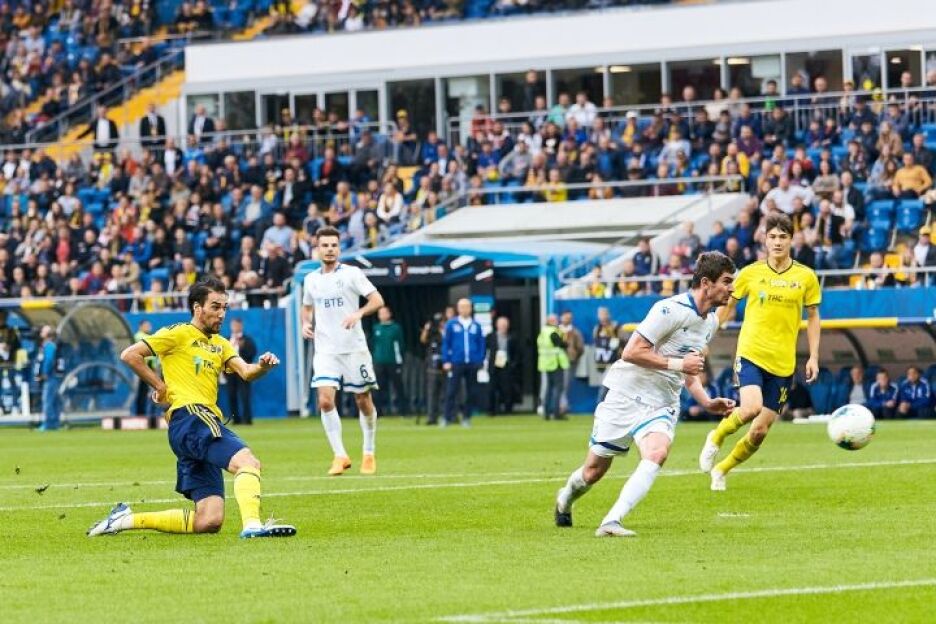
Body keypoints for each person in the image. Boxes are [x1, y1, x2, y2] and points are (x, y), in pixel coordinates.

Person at [88, 278, 295, 538]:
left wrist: (262, 366)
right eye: (215, 307)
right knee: (248, 462)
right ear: (197, 308)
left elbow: (246, 372)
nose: (221, 313)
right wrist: (160, 386)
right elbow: (130, 354)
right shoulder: (179, 333)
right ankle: (253, 525)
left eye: (224, 307)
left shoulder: (221, 343)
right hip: (192, 416)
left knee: (209, 520)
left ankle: (124, 520)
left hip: (192, 428)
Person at [555, 252, 737, 536]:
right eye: (726, 281)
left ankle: (611, 521)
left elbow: (688, 369)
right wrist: (679, 365)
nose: (731, 288)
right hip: (626, 393)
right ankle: (565, 499)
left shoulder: (710, 322)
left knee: (657, 452)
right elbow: (631, 352)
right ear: (706, 283)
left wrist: (706, 401)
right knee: (593, 471)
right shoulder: (669, 309)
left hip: (662, 402)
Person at [699, 213, 821, 492]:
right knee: (751, 408)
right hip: (751, 353)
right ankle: (716, 437)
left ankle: (722, 469)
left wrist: (814, 356)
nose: (777, 242)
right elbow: (726, 308)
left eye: (783, 237)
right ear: (764, 240)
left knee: (759, 431)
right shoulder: (749, 273)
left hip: (783, 363)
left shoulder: (806, 276)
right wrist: (706, 338)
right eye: (772, 237)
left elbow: (813, 316)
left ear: (791, 240)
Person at [301, 226, 384, 475]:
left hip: (353, 348)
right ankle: (340, 456)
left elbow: (377, 300)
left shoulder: (352, 274)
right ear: (317, 249)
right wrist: (305, 323)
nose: (329, 249)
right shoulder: (311, 279)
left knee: (363, 400)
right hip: (325, 350)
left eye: (334, 245)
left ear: (339, 248)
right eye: (325, 245)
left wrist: (358, 313)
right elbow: (307, 307)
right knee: (325, 401)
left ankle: (368, 452)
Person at [441, 298, 486, 427]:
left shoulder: (476, 325)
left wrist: (480, 359)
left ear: (470, 309)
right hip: (456, 362)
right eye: (462, 307)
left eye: (467, 306)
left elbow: (481, 344)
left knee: (471, 391)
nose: (465, 309)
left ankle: (466, 417)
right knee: (452, 390)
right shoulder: (451, 324)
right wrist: (446, 360)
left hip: (472, 363)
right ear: (458, 309)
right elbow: (446, 343)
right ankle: (447, 417)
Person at [371, 306, 407, 416]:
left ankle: (403, 410)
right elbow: (373, 344)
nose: (382, 315)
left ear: (389, 314)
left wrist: (400, 360)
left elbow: (401, 344)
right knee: (378, 387)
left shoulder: (396, 328)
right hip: (379, 362)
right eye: (380, 313)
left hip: (393, 361)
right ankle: (378, 411)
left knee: (398, 386)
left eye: (384, 313)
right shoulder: (376, 328)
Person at [537, 314, 568, 421]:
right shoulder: (553, 332)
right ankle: (556, 413)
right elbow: (562, 344)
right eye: (555, 320)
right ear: (551, 321)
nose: (557, 321)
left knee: (549, 388)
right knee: (558, 388)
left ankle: (546, 412)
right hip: (556, 363)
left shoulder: (543, 332)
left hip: (546, 364)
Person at [486, 316, 520, 415]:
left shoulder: (512, 337)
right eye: (501, 325)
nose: (503, 327)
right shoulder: (490, 337)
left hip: (506, 365)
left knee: (507, 388)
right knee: (492, 388)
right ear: (497, 325)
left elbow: (517, 352)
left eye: (505, 325)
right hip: (494, 366)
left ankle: (508, 409)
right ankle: (491, 410)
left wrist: (513, 364)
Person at [227, 318, 257, 425]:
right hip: (230, 372)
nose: (235, 327)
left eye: (237, 325)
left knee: (245, 395)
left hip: (244, 371)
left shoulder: (247, 340)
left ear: (241, 326)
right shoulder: (226, 340)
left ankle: (247, 419)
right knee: (231, 395)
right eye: (233, 325)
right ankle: (235, 418)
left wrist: (242, 347)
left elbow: (252, 353)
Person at [36, 325, 64, 432]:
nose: (40, 332)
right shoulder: (50, 345)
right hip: (54, 376)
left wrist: (44, 373)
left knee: (47, 400)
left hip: (50, 377)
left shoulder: (49, 346)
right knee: (54, 400)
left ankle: (48, 423)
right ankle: (55, 423)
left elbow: (49, 360)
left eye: (43, 331)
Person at [420, 313, 446, 425]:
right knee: (432, 393)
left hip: (446, 366)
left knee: (446, 393)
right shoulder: (432, 334)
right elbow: (423, 340)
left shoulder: (448, 333)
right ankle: (432, 417)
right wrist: (426, 329)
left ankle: (447, 415)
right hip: (433, 367)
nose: (441, 324)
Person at [133, 320, 159, 426]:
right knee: (141, 392)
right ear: (141, 326)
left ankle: (143, 413)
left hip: (147, 367)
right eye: (146, 325)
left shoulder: (147, 337)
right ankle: (141, 413)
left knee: (144, 392)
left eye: (149, 325)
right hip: (141, 367)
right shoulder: (139, 336)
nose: (148, 327)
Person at [558, 311, 584, 415]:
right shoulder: (556, 331)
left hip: (570, 362)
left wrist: (574, 355)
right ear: (561, 317)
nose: (567, 319)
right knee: (557, 384)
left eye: (569, 318)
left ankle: (562, 406)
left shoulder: (575, 332)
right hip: (556, 362)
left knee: (566, 384)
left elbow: (580, 347)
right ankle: (559, 405)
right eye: (566, 317)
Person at [592, 306, 621, 374]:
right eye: (600, 314)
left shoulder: (616, 327)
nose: (603, 317)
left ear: (609, 315)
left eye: (604, 314)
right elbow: (595, 343)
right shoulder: (597, 328)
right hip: (601, 362)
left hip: (614, 361)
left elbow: (623, 341)